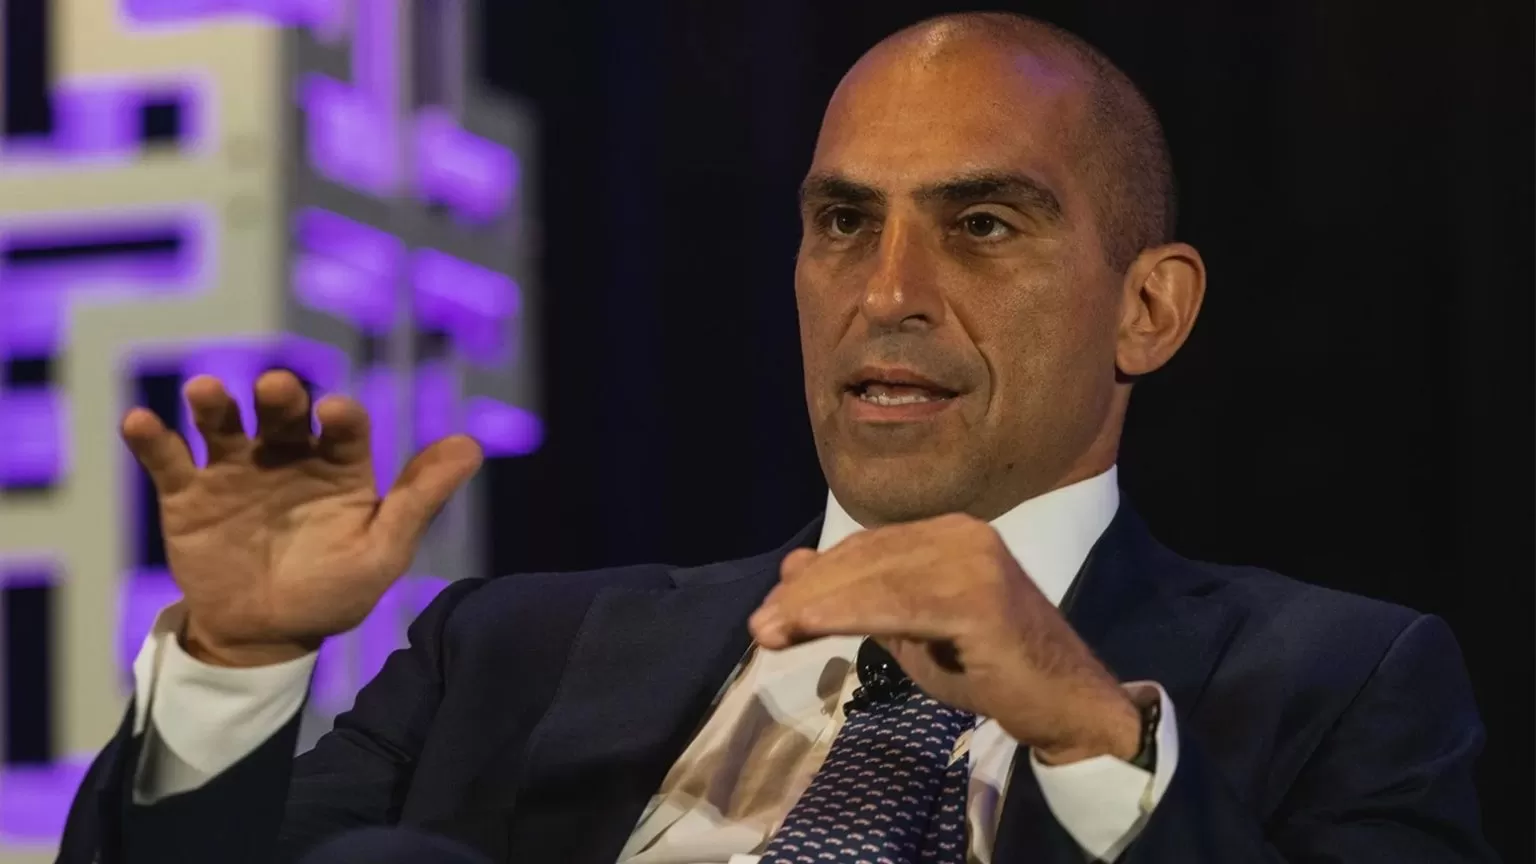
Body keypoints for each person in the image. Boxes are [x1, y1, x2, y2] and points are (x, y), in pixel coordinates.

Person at [57, 12, 1494, 864]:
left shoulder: (1342, 684)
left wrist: (1085, 733)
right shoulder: (504, 652)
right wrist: (234, 671)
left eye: (984, 225)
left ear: (1148, 309)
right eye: (843, 222)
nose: (887, 292)